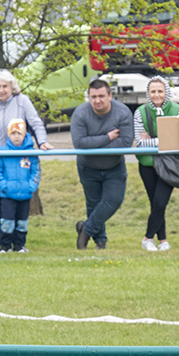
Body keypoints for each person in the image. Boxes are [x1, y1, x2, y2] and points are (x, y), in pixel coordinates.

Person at [0, 69, 52, 248]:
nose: (1, 90)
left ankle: (19, 243)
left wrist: (43, 142)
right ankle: (4, 244)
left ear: (12, 87)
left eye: (5, 86)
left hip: (20, 163)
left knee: (20, 203)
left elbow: (36, 124)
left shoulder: (22, 101)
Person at [71, 78, 133, 250]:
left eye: (101, 96)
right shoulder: (80, 113)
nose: (97, 100)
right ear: (89, 97)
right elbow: (79, 143)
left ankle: (86, 230)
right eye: (93, 97)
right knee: (93, 203)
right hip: (87, 166)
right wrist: (108, 137)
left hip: (114, 166)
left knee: (113, 200)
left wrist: (95, 144)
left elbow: (126, 142)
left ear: (110, 96)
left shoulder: (123, 112)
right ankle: (101, 242)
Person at [134, 76, 179, 252]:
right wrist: (164, 140)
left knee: (160, 202)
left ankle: (147, 238)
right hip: (147, 164)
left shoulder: (178, 110)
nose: (156, 95)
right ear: (148, 93)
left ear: (166, 92)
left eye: (160, 91)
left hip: (169, 164)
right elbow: (140, 142)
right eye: (153, 91)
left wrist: (153, 140)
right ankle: (162, 239)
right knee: (155, 203)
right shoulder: (140, 111)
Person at [0, 118, 41, 253]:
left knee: (22, 222)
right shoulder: (2, 152)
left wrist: (31, 187)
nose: (16, 136)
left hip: (25, 193)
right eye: (13, 133)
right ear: (8, 135)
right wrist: (4, 186)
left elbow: (36, 171)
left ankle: (19, 245)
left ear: (25, 134)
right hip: (8, 194)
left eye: (19, 133)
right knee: (7, 221)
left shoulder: (31, 153)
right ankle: (5, 246)